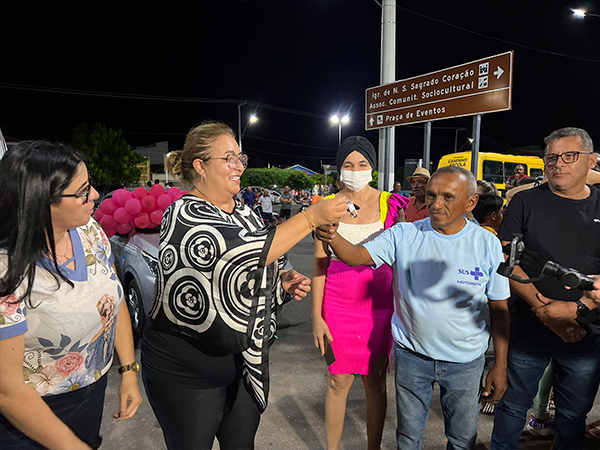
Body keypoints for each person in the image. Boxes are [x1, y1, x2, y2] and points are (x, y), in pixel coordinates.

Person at [141, 120, 348, 450]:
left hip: (242, 360)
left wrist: (284, 280)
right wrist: (311, 216)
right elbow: (240, 252)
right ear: (200, 166)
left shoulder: (246, 213)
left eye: (241, 158)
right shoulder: (183, 214)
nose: (239, 166)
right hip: (187, 366)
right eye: (229, 158)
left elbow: (263, 262)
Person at [316, 165, 510, 449]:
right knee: (407, 438)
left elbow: (499, 308)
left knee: (461, 439)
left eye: (447, 196)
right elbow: (357, 256)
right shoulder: (404, 234)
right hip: (412, 358)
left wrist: (500, 365)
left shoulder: (486, 243)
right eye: (431, 195)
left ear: (471, 202)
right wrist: (332, 236)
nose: (436, 204)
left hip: (466, 363)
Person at [0, 141, 142, 450]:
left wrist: (129, 370)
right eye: (82, 191)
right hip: (27, 416)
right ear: (38, 200)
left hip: (90, 396)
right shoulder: (6, 270)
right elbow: (6, 388)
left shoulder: (89, 231)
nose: (94, 196)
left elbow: (113, 298)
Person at [491, 127, 600, 449]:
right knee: (512, 407)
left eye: (569, 156)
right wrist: (545, 310)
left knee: (572, 414)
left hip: (586, 332)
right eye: (551, 157)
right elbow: (504, 258)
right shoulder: (524, 202)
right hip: (529, 327)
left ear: (591, 160)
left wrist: (578, 309)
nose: (558, 164)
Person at [311, 136, 408, 450]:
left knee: (375, 380)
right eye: (349, 165)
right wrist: (316, 317)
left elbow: (403, 255)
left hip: (379, 307)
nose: (356, 170)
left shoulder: (390, 204)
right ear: (339, 170)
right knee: (337, 380)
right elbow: (319, 264)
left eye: (363, 164)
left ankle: (373, 447)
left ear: (373, 168)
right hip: (335, 305)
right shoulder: (325, 206)